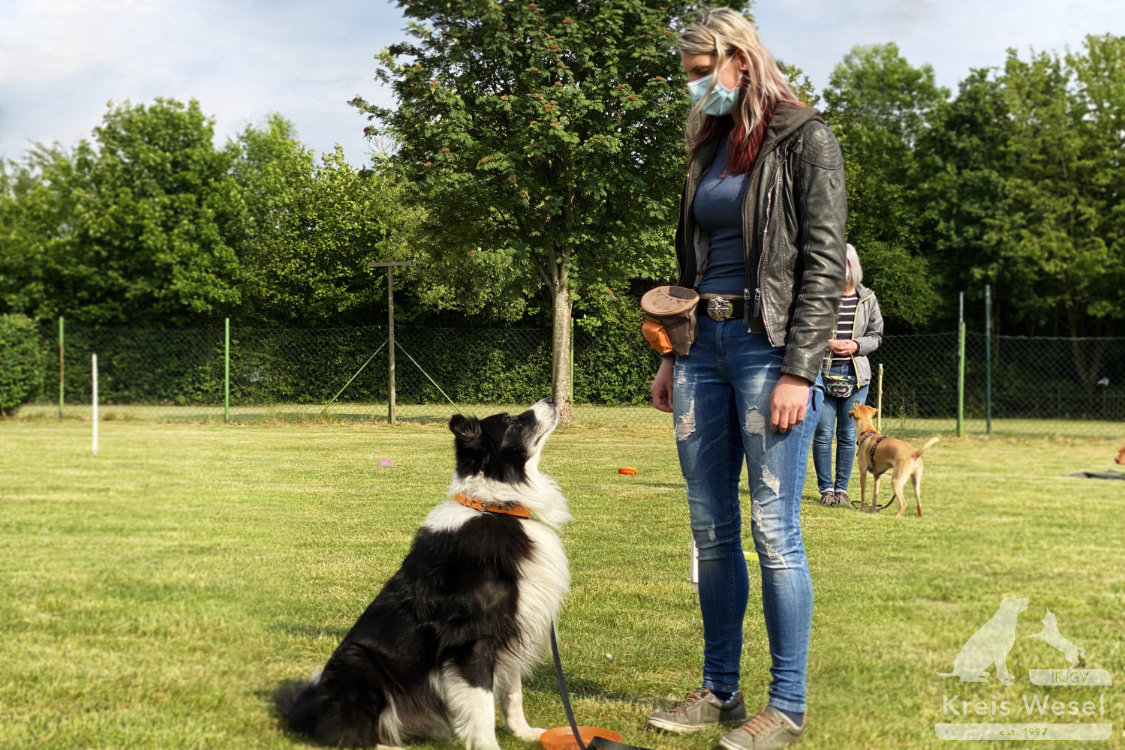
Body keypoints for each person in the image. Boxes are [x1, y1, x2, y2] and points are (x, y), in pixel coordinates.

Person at [647, 8, 846, 750]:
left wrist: (802, 368)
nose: (695, 90)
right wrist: (671, 352)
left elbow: (823, 265)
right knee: (710, 531)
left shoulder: (804, 137)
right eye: (689, 80)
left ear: (737, 58)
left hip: (770, 353)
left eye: (702, 76)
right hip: (702, 349)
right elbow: (686, 268)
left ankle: (784, 706)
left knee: (775, 530)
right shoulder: (707, 149)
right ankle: (720, 691)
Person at [813, 244, 884, 506]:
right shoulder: (819, 296)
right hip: (821, 373)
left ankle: (841, 490)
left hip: (856, 377)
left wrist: (855, 345)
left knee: (846, 437)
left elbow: (876, 336)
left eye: (841, 262)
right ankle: (826, 490)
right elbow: (806, 330)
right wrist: (828, 343)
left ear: (852, 265)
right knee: (822, 434)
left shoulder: (868, 299)